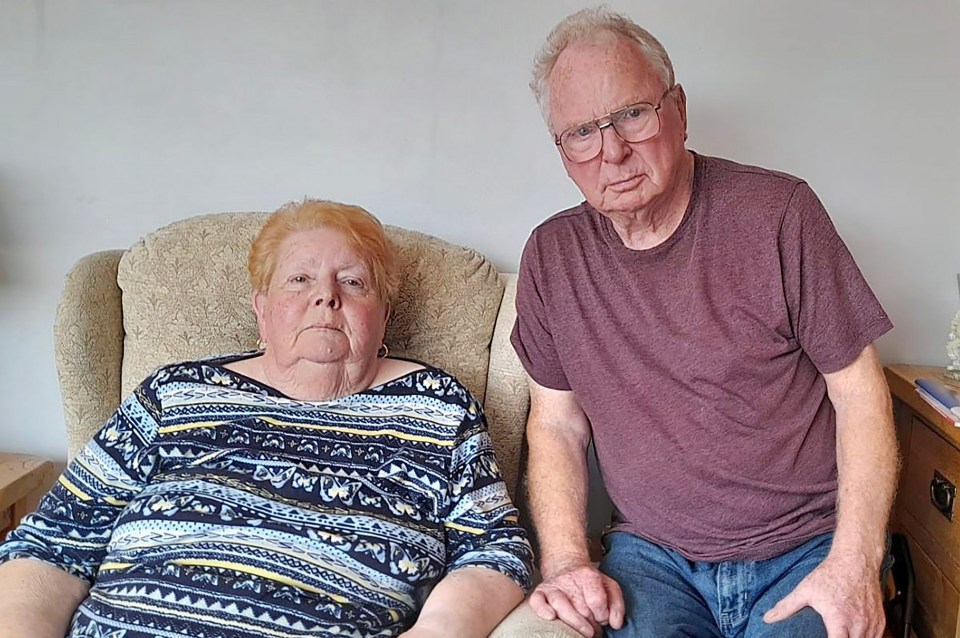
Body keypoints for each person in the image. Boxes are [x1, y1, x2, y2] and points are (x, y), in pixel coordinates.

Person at [511, 7, 897, 638]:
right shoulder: (552, 256)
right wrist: (566, 561)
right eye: (581, 131)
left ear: (678, 109)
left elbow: (858, 395)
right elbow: (555, 423)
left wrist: (855, 561)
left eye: (632, 113)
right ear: (562, 149)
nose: (611, 150)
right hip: (652, 558)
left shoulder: (779, 214)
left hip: (801, 549)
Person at [0, 199, 532, 638]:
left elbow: (496, 549)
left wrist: (437, 630)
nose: (326, 296)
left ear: (384, 312)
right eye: (299, 279)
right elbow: (51, 541)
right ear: (261, 307)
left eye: (353, 282)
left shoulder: (436, 406)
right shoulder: (176, 393)